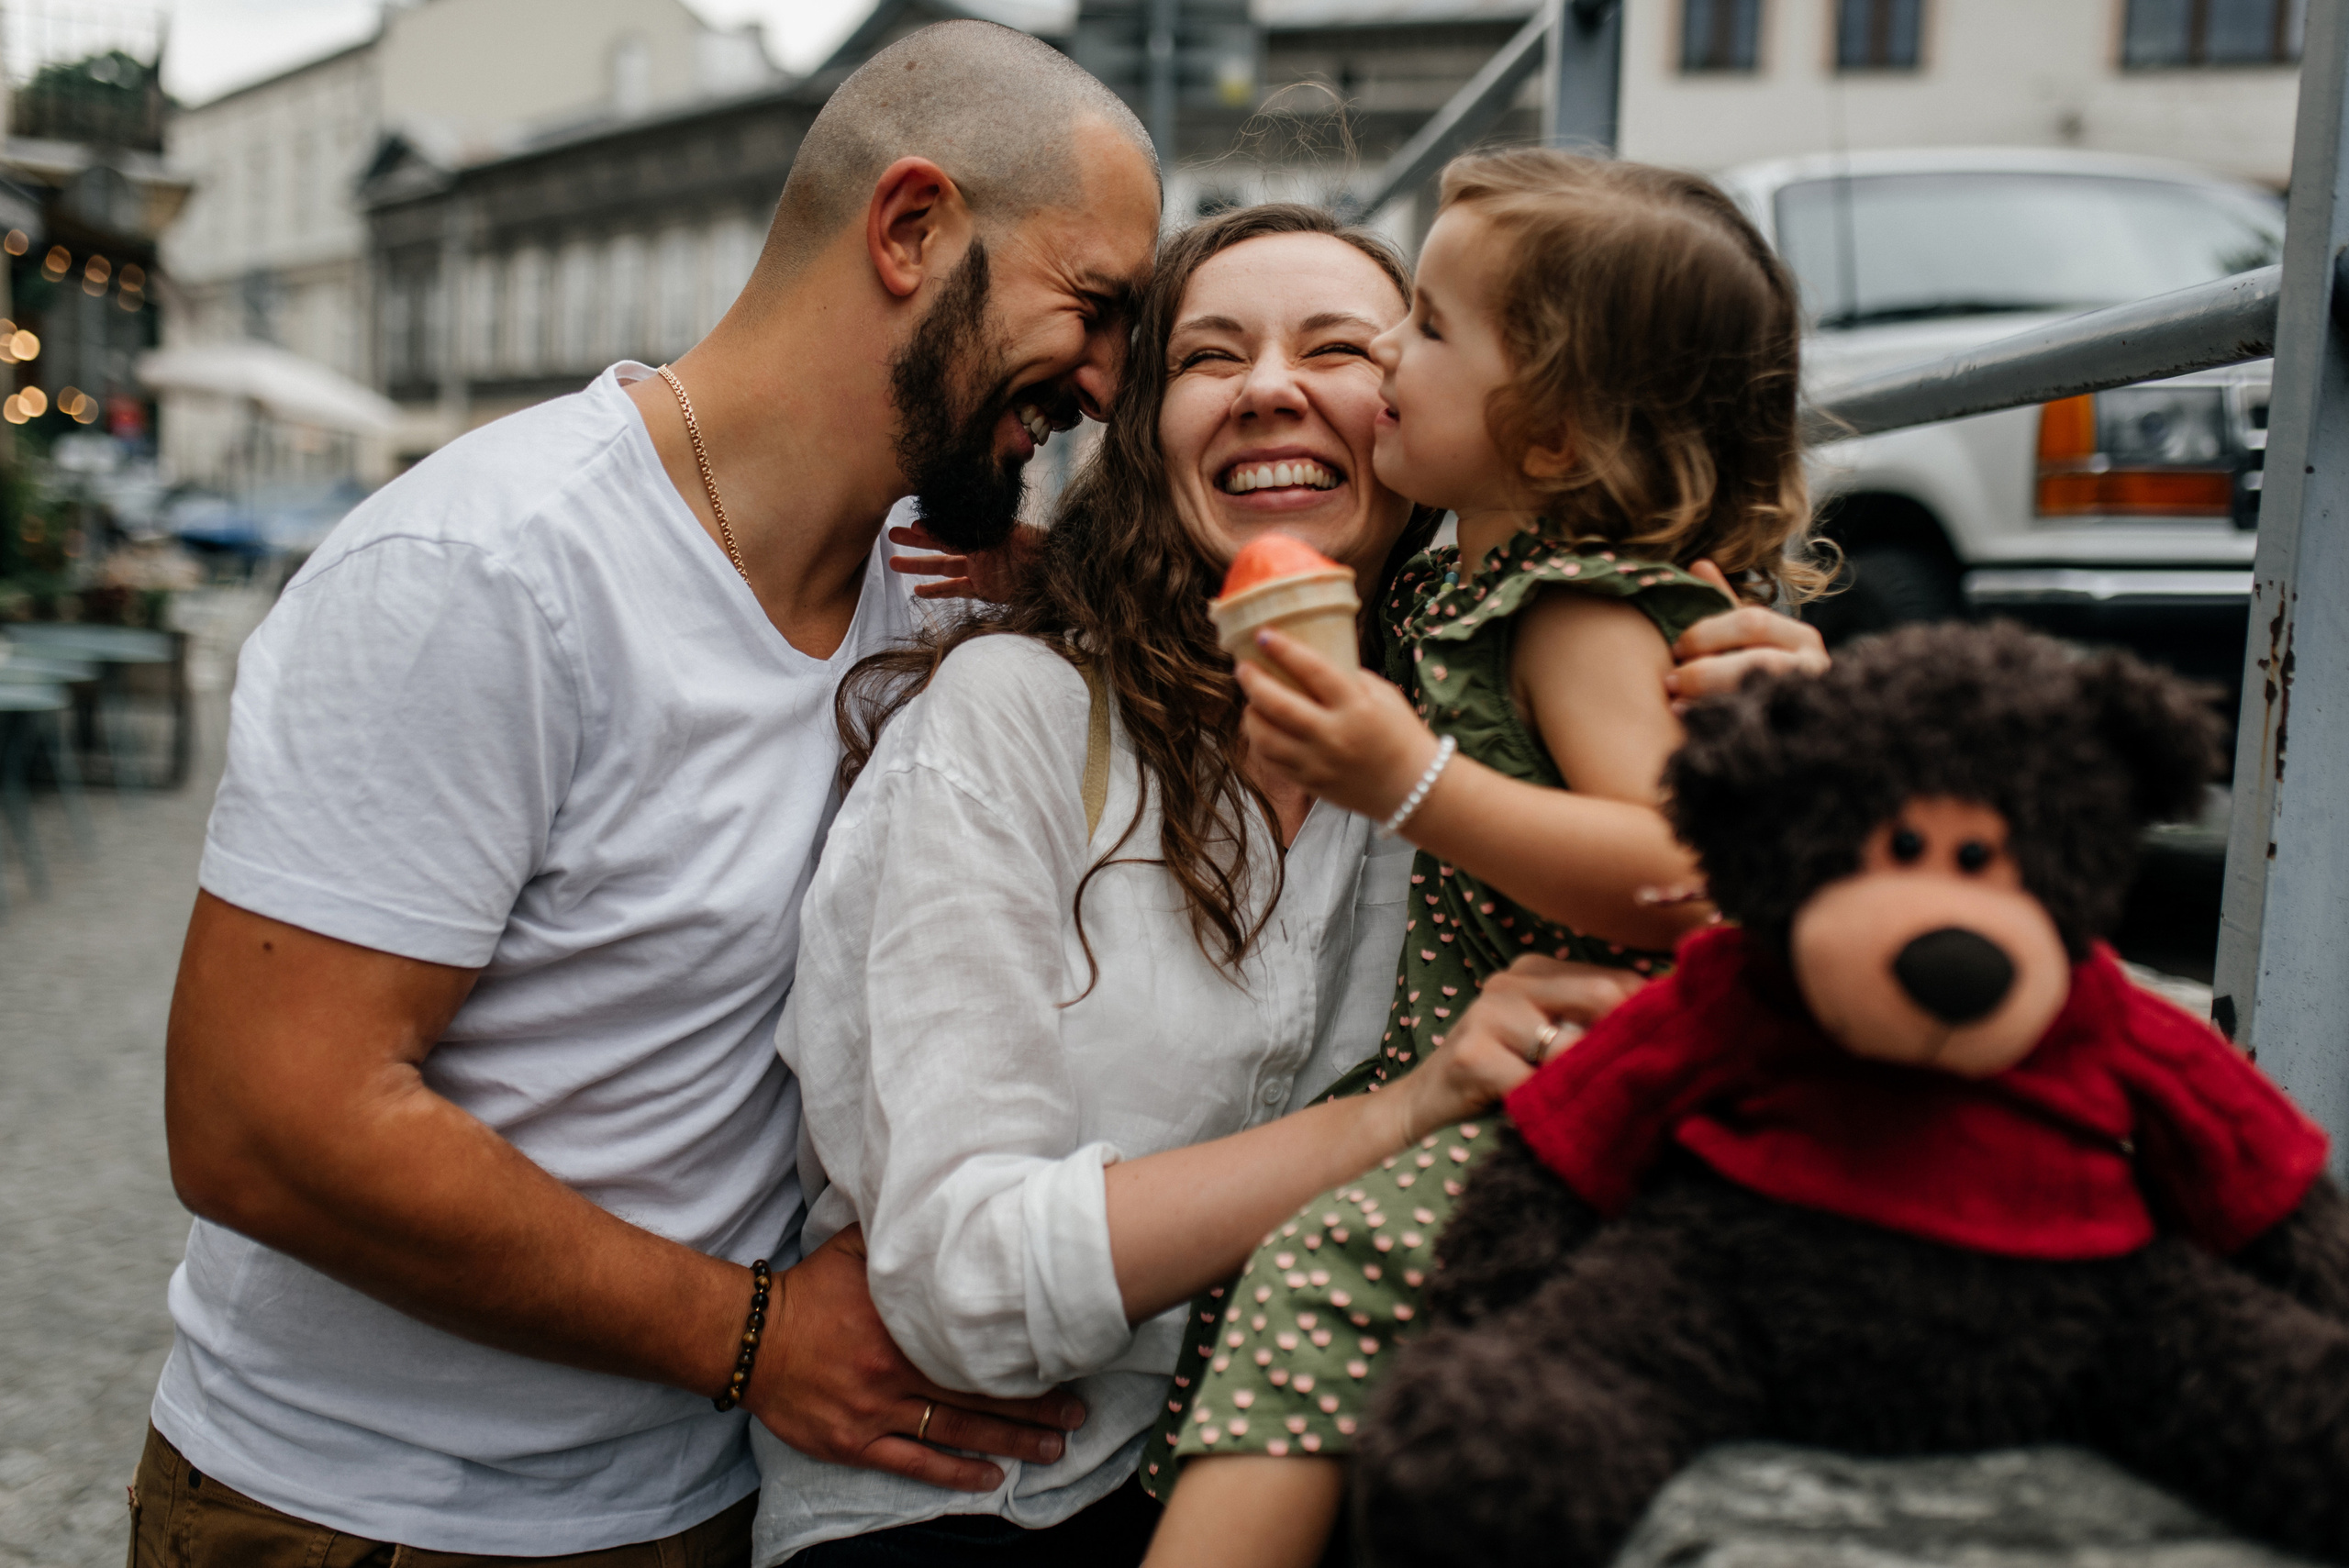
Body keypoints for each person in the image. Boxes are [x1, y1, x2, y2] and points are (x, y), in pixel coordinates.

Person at [132, 24, 1158, 1567]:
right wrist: (755, 1335)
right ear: (911, 229)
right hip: (362, 1524)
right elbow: (260, 1122)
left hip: (706, 1502)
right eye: (1095, 306)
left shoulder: (936, 589)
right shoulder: (490, 568)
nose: (1108, 382)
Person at [758, 200, 1829, 1564]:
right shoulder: (1017, 710)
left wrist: (1784, 728)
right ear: (1144, 436)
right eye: (1208, 357)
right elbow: (966, 1284)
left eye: (1347, 348)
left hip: (1303, 1453)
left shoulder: (1471, 726)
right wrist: (1410, 1112)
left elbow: (1725, 892)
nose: (1269, 388)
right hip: (977, 1487)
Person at [1142, 149, 1823, 1568]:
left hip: (1601, 1082)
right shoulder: (1461, 580)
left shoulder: (1574, 611)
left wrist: (1415, 781)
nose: (1390, 348)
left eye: (1429, 327)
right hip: (1520, 1068)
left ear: (1554, 439)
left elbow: (1689, 872)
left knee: (1318, 1273)